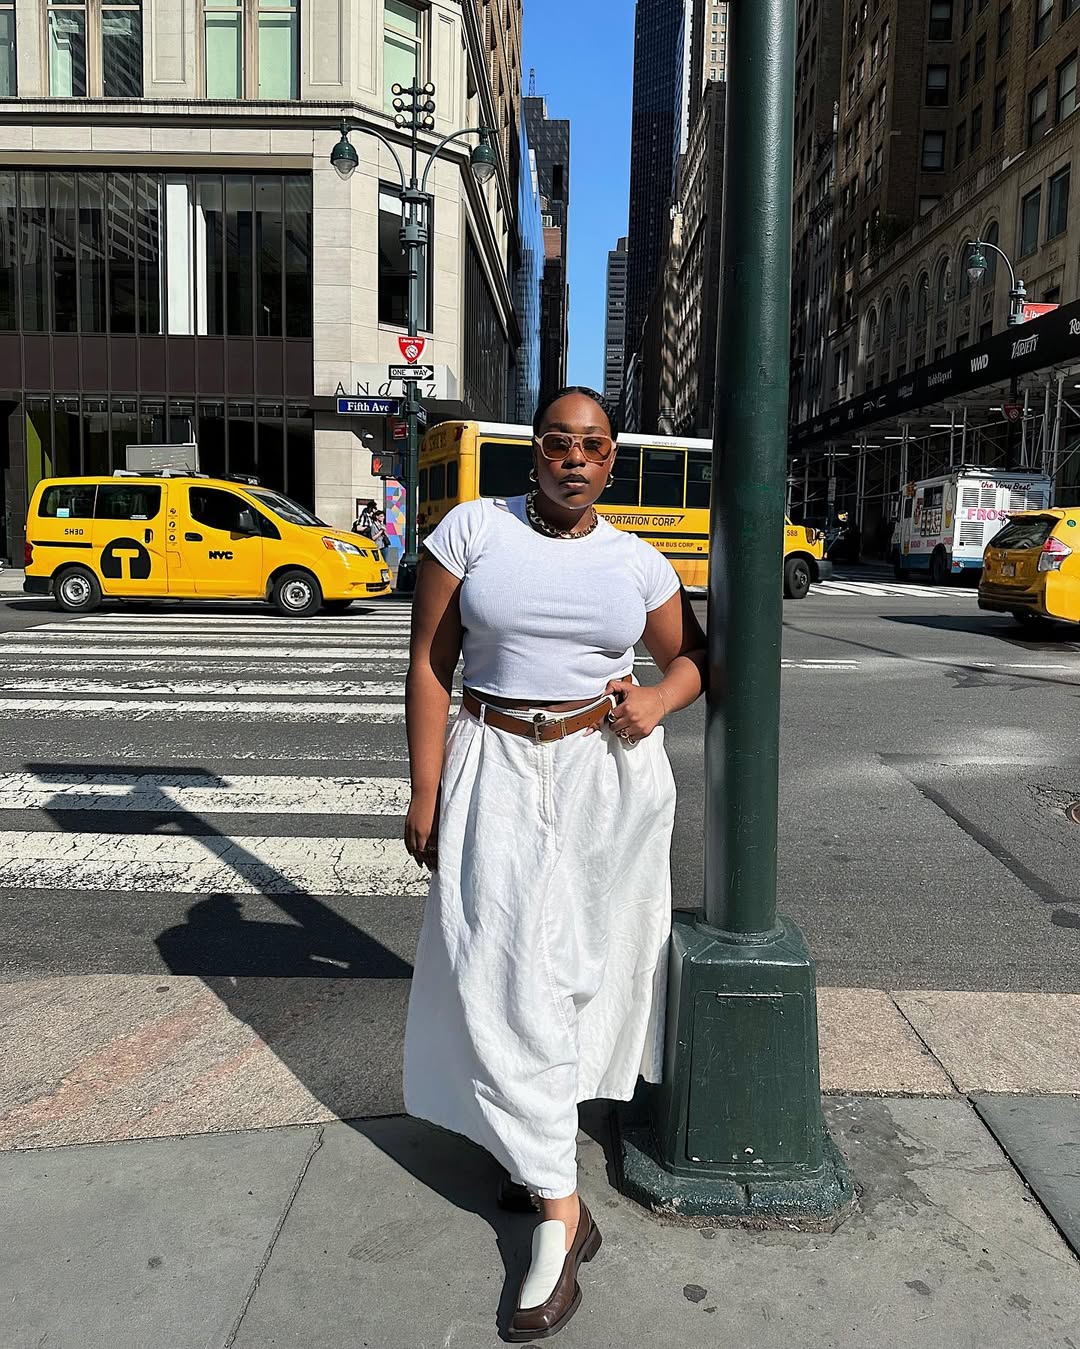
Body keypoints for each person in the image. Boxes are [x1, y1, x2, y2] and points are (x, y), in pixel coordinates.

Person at [402, 386, 707, 1340]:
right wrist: (424, 789)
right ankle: (562, 1211)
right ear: (533, 452)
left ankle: (538, 1167)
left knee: (576, 971)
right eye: (558, 443)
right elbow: (430, 663)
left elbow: (693, 659)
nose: (576, 459)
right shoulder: (472, 531)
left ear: (612, 460)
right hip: (492, 760)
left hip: (602, 775)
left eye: (594, 445)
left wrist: (656, 701)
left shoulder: (637, 560)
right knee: (495, 968)